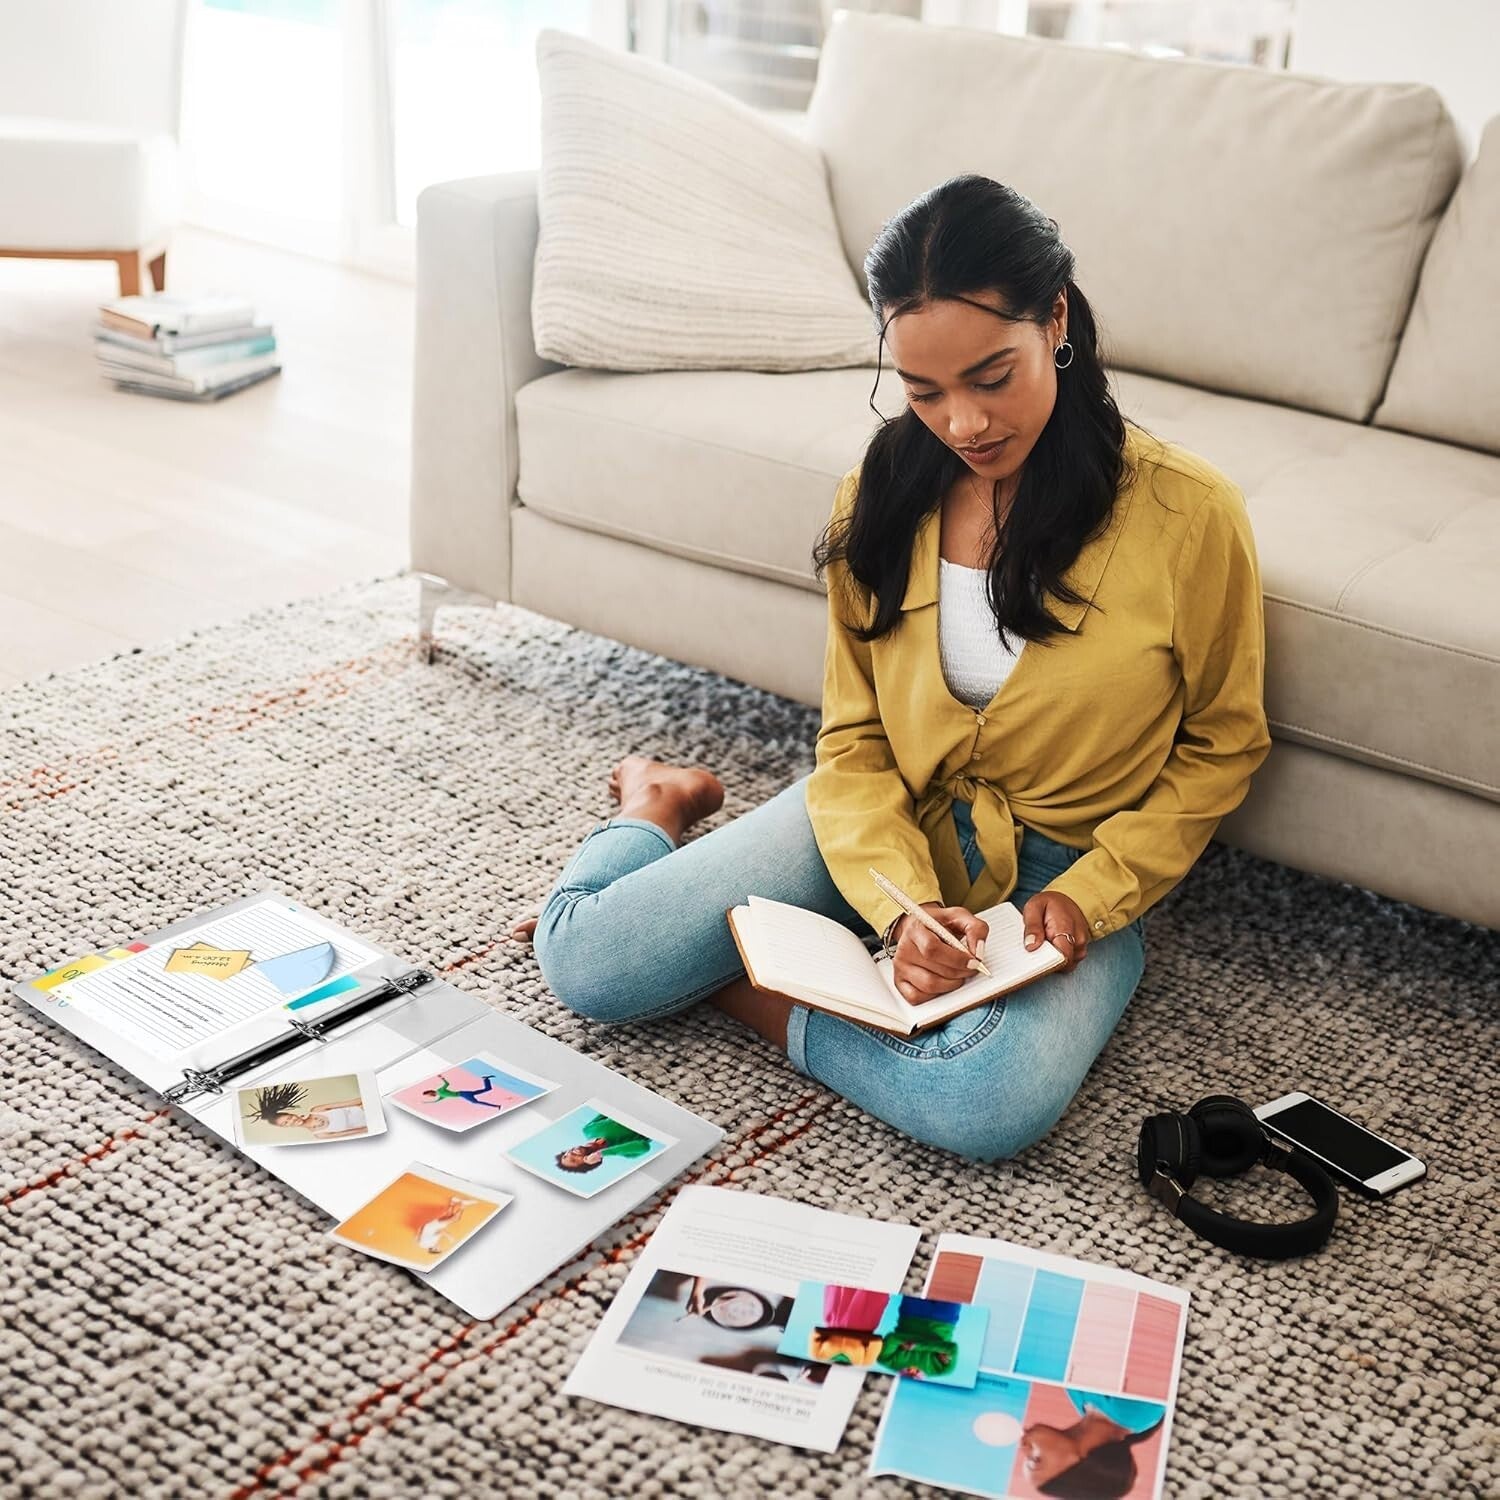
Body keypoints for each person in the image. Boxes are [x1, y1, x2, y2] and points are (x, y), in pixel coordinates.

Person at [518, 173, 1271, 1162]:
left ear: (1055, 320)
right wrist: (899, 908)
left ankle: (753, 987)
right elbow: (856, 739)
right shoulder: (874, 500)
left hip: (1066, 874)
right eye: (924, 392)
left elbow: (1224, 739)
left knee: (984, 1100)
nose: (963, 424)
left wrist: (1097, 893)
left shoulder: (1187, 516)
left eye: (991, 377)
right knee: (590, 964)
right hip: (882, 816)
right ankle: (651, 804)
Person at [1019, 1390, 1165, 1498]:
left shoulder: (1080, 1400)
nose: (1023, 1447)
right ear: (1082, 1464)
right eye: (1035, 1460)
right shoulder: (1139, 1409)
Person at [245, 1081, 370, 1140]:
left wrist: (373, 1100)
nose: (291, 1121)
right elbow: (354, 1133)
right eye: (286, 1123)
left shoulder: (317, 1110)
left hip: (370, 1106)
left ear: (292, 1113)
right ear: (285, 1128)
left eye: (289, 1118)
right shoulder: (320, 1134)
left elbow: (352, 1102)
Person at [554, 1111, 654, 1172]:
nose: (570, 1154)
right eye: (573, 1160)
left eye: (565, 1156)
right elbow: (644, 1146)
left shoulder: (587, 1130)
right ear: (589, 1161)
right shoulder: (626, 1153)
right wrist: (601, 1153)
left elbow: (609, 1109)